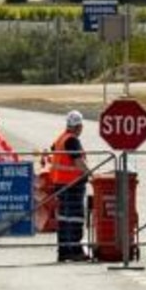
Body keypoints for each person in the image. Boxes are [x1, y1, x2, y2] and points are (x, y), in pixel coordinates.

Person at [48, 110, 90, 262]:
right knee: (75, 218)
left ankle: (64, 251)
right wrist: (90, 174)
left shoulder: (61, 138)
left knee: (64, 218)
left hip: (60, 184)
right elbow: (78, 162)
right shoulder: (72, 140)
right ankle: (75, 250)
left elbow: (53, 150)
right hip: (72, 184)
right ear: (78, 126)